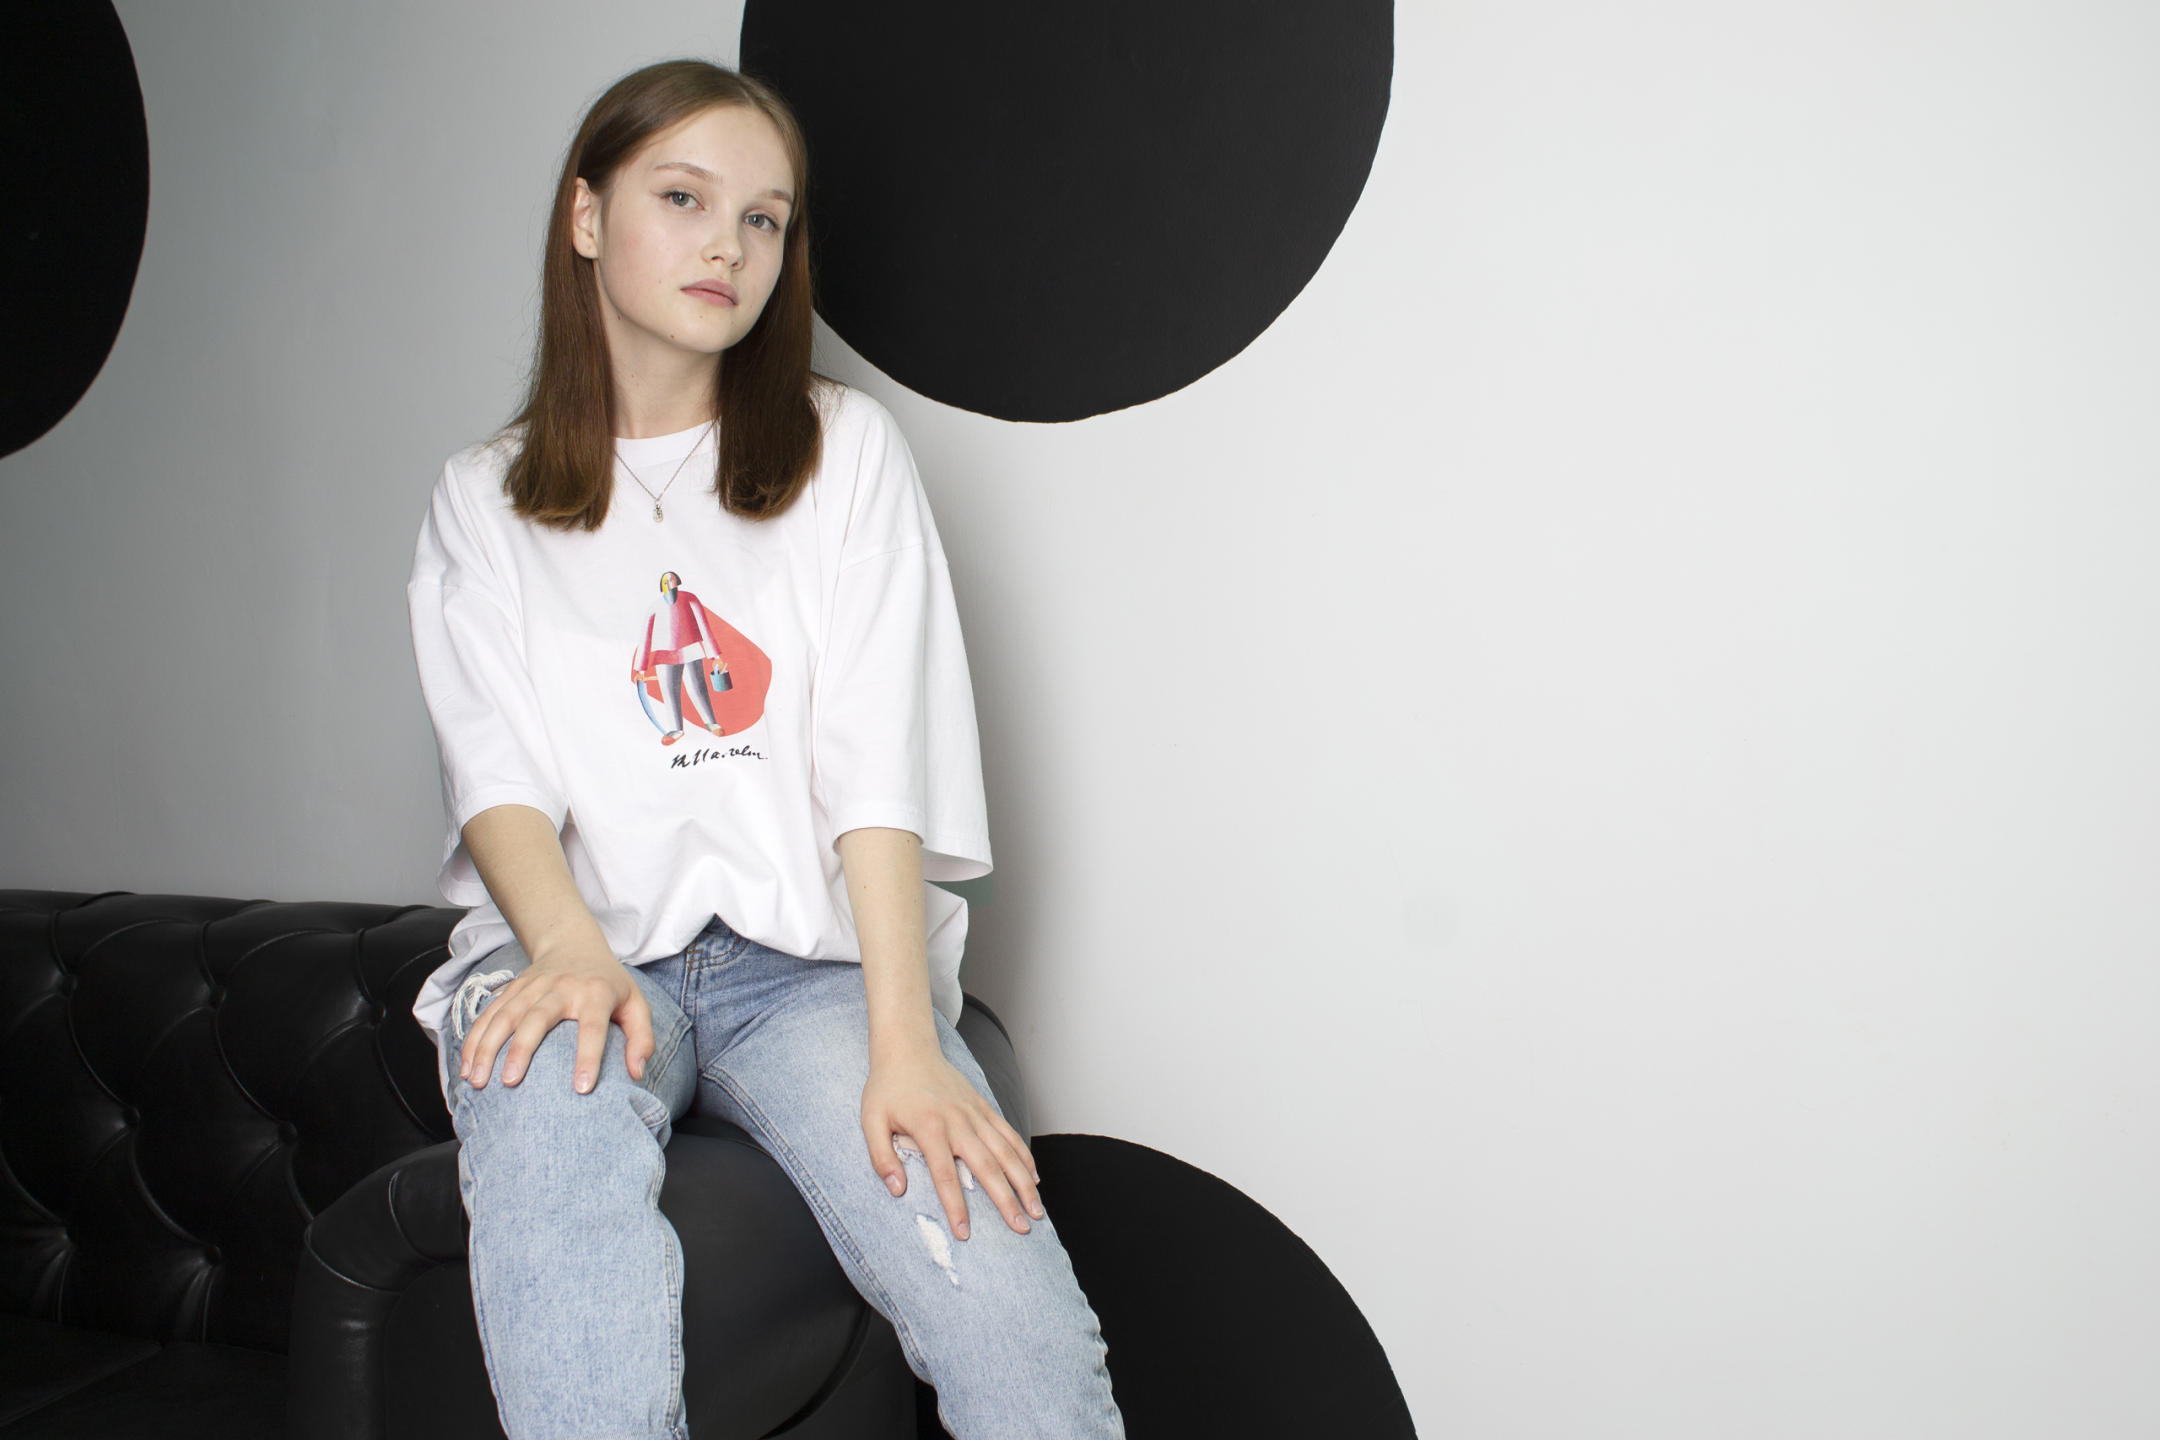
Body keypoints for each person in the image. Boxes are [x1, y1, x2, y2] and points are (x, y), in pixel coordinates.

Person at [403, 58, 1124, 1440]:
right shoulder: (482, 501)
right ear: (587, 217)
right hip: (576, 944)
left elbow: (876, 765)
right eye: (683, 198)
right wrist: (567, 951)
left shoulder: (847, 454)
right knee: (555, 1162)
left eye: (764, 219)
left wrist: (906, 1044)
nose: (728, 246)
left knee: (1012, 1319)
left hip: (808, 972)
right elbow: (495, 777)